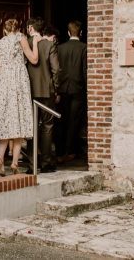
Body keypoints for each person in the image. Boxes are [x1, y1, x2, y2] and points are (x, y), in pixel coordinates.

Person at [0, 18, 38, 176]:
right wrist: (36, 43)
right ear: (18, 29)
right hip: (18, 82)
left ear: (4, 30)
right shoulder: (21, 39)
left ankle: (0, 159)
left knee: (5, 121)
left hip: (3, 83)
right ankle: (15, 163)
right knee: (18, 120)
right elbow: (34, 59)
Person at [25, 19, 60, 172]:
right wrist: (56, 88)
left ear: (30, 28)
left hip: (29, 91)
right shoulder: (49, 44)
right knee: (47, 126)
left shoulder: (24, 44)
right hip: (47, 90)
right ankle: (46, 163)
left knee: (31, 126)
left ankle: (32, 164)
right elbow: (56, 70)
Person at [56, 20, 87, 163]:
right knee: (74, 121)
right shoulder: (84, 48)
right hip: (78, 88)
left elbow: (56, 69)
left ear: (68, 33)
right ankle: (70, 151)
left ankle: (60, 150)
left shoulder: (60, 48)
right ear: (81, 33)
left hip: (62, 88)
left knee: (62, 120)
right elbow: (85, 70)